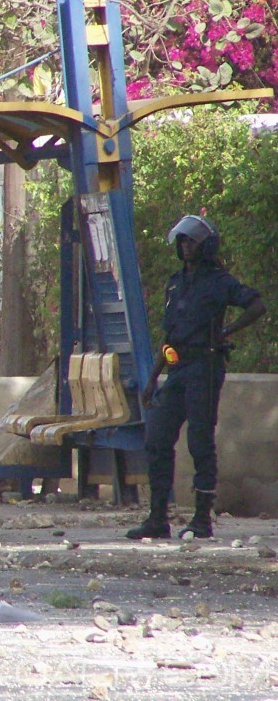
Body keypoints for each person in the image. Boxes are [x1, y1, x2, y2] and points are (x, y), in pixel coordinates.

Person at [126, 215, 265, 541]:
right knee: (157, 439)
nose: (186, 247)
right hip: (177, 369)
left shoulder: (219, 281)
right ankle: (158, 518)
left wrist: (227, 331)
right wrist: (152, 380)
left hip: (206, 367)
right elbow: (169, 335)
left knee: (200, 443)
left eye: (191, 242)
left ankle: (202, 518)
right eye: (182, 242)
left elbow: (256, 304)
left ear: (205, 246)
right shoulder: (176, 283)